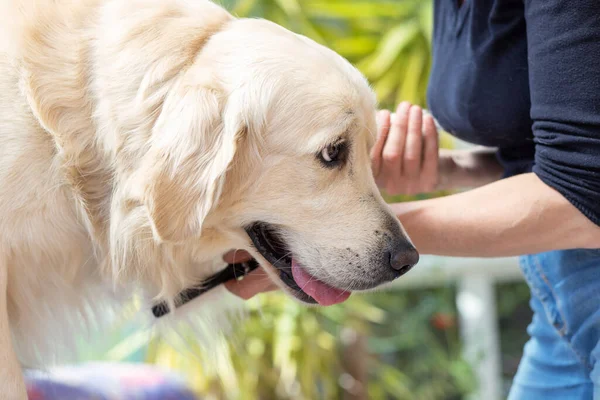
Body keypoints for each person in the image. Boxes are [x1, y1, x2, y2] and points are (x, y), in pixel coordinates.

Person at [223, 0, 600, 397]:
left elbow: (582, 197)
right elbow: (552, 154)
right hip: (557, 309)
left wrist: (353, 235)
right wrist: (445, 169)